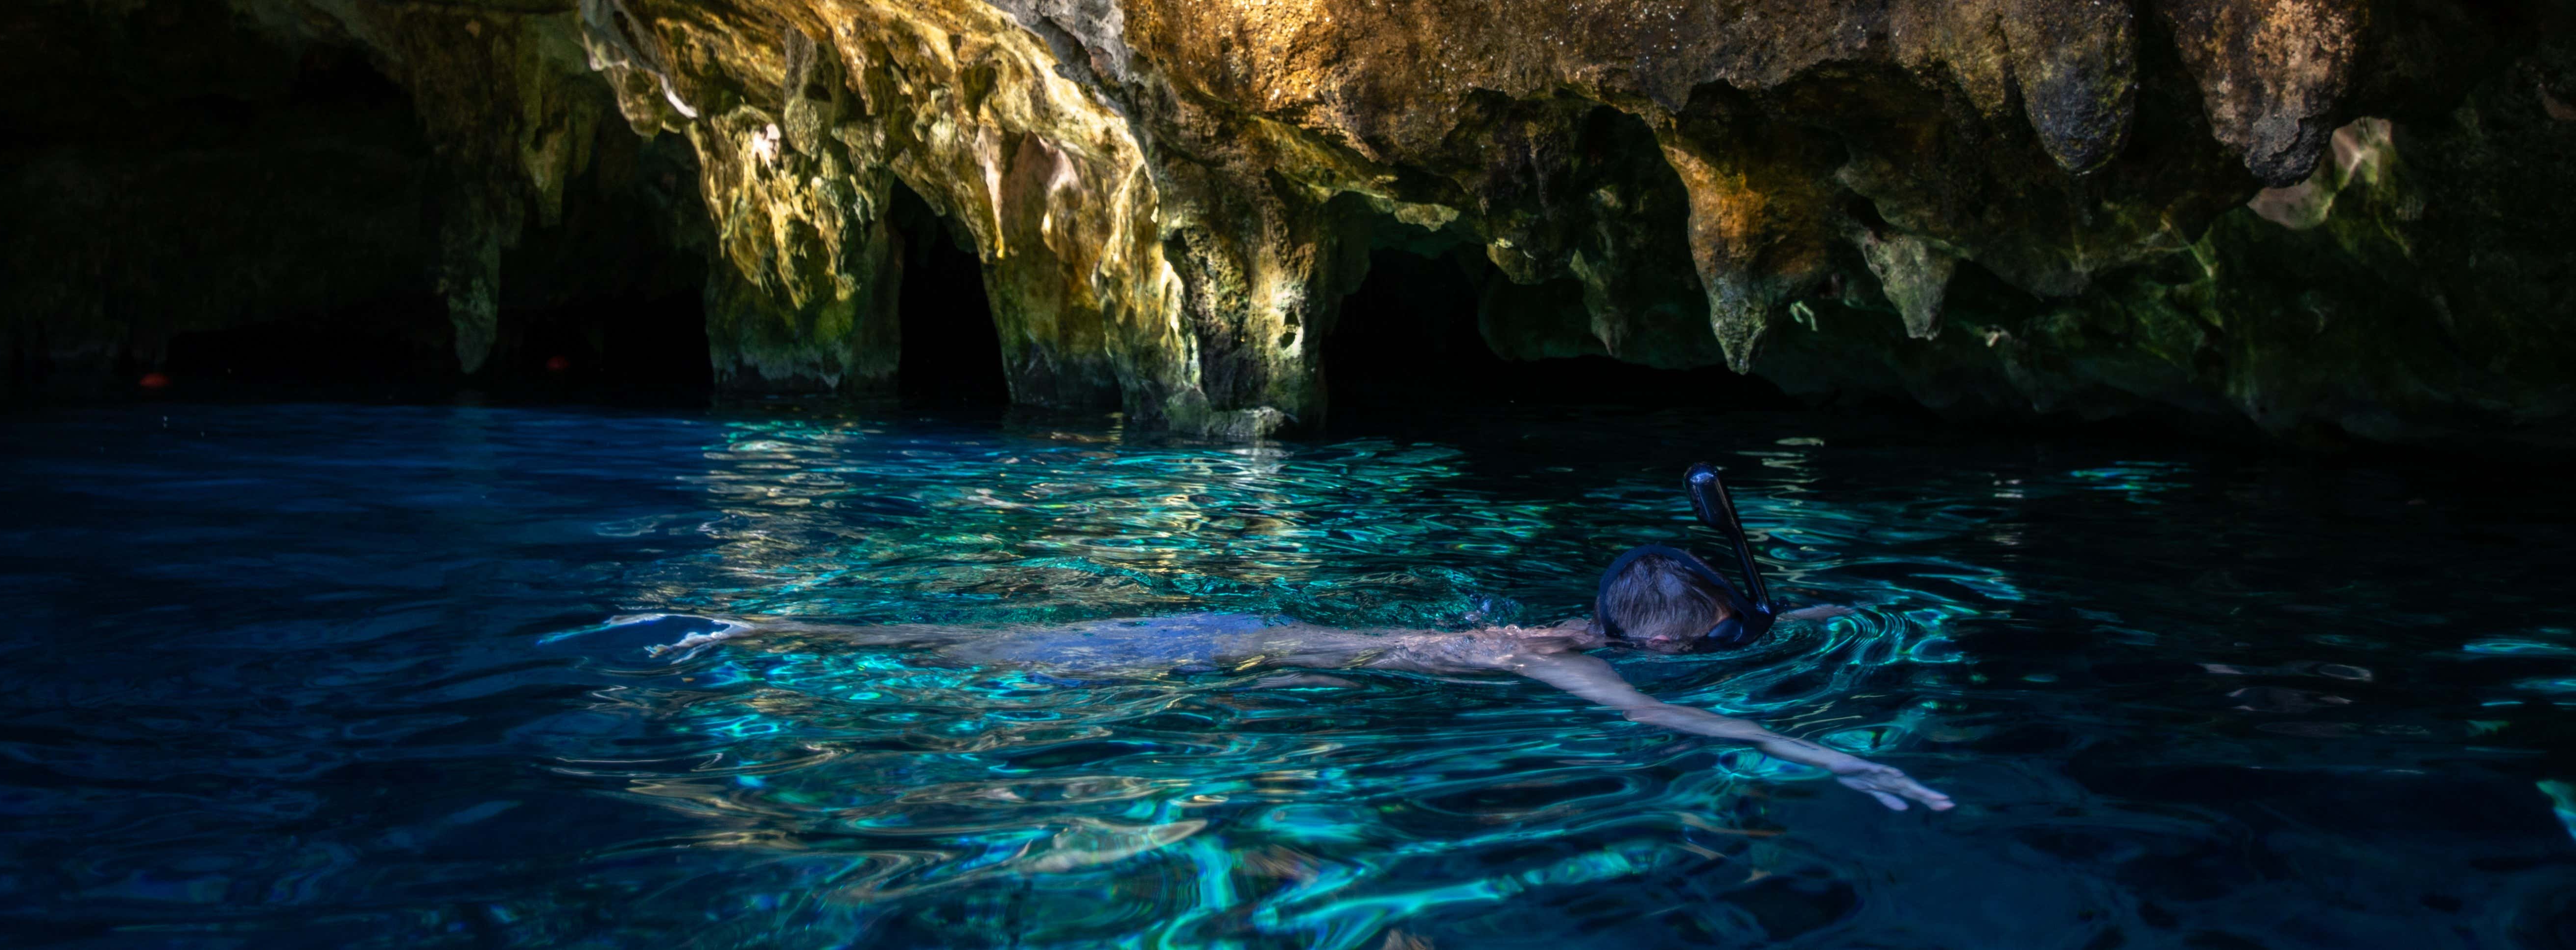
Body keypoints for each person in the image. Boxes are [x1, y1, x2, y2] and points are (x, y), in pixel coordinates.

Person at [618, 465, 1955, 813]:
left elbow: (1737, 624)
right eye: (1708, 634)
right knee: (982, 655)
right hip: (1221, 655)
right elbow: (1677, 720)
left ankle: (760, 618)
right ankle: (755, 622)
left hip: (1245, 631)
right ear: (1654, 644)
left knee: (986, 639)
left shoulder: (1576, 628)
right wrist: (1838, 759)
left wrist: (1806, 613)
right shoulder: (1571, 664)